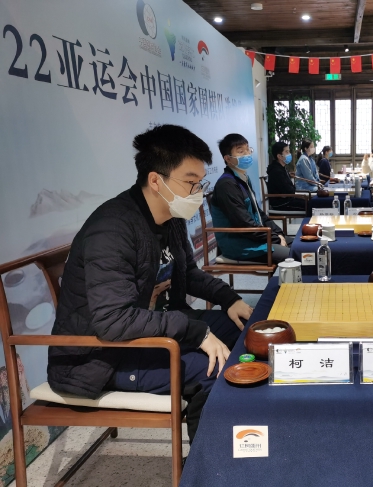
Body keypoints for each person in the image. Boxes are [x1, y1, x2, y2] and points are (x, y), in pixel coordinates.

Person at [47, 125, 253, 444]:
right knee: (214, 370)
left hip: (153, 331)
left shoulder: (170, 217)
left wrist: (229, 299)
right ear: (156, 181)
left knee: (244, 330)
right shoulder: (112, 230)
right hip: (102, 356)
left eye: (201, 183)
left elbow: (189, 274)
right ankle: (207, 465)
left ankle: (249, 430)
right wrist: (196, 332)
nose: (198, 192)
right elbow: (113, 321)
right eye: (190, 183)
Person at [210, 134, 290, 264]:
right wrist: (275, 239)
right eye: (241, 151)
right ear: (228, 158)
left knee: (300, 244)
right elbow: (243, 223)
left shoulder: (243, 178)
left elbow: (259, 214)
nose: (247, 154)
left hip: (256, 238)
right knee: (297, 255)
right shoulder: (227, 185)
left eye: (248, 149)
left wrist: (278, 233)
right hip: (241, 246)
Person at [266, 141, 307, 212]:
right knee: (309, 205)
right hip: (281, 203)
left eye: (289, 151)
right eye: (287, 152)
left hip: (287, 199)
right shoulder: (276, 171)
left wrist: (292, 189)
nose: (289, 154)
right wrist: (292, 189)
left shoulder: (282, 168)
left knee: (310, 202)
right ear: (279, 156)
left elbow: (290, 189)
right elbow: (289, 191)